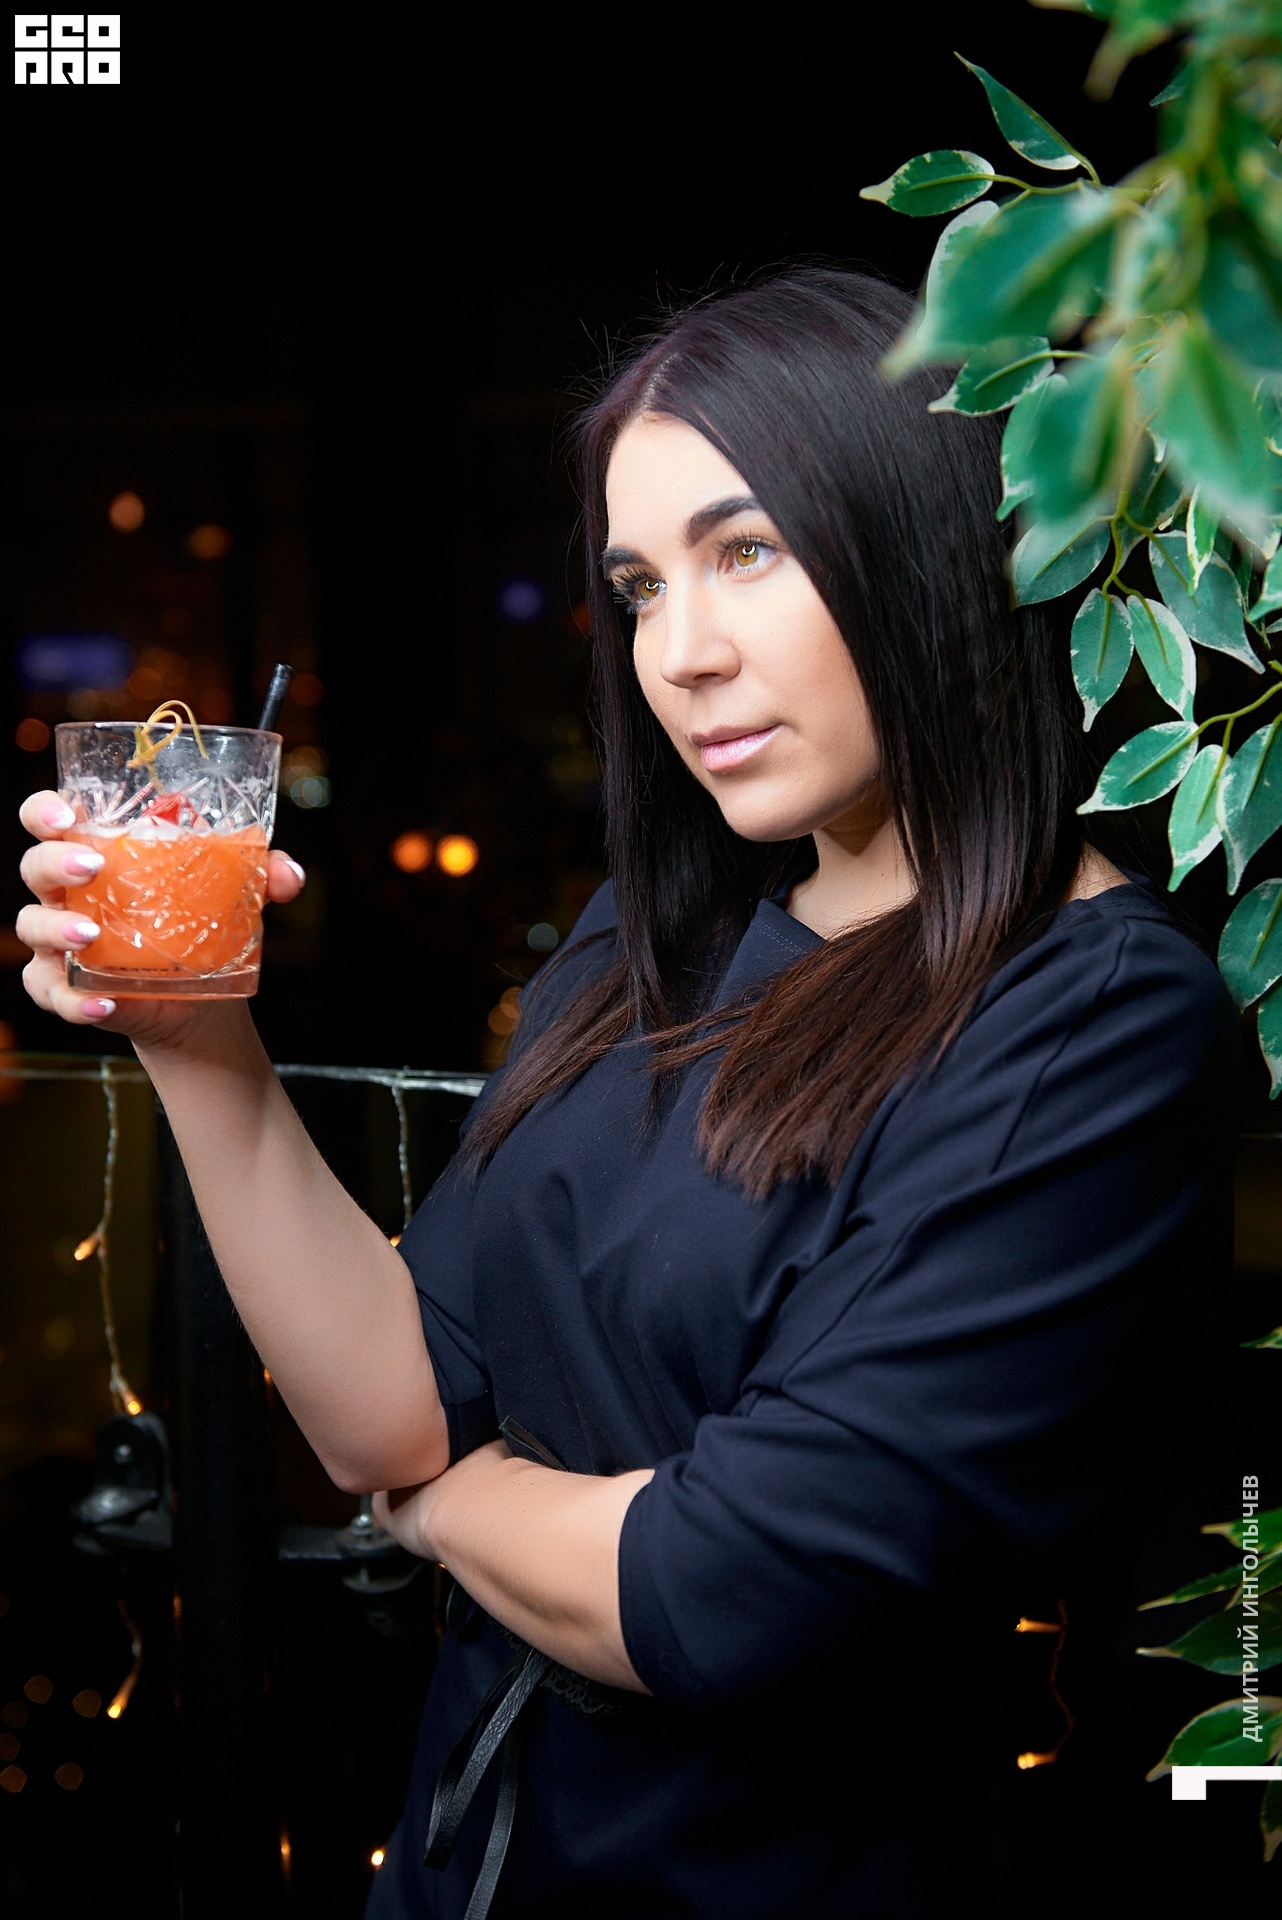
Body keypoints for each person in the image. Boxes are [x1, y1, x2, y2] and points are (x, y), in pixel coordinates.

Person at [17, 270, 1239, 1918]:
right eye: (637, 586)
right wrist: (190, 1034)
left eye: (748, 553)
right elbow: (390, 1404)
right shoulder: (660, 931)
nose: (681, 653)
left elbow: (723, 1590)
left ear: (927, 545)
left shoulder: (1088, 1016)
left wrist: (440, 1505)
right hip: (469, 1860)